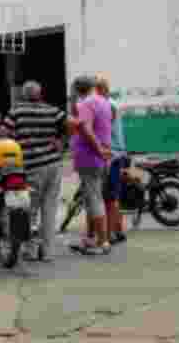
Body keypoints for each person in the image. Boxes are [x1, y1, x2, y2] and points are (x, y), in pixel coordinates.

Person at [2, 80, 66, 262]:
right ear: (40, 94)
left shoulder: (17, 111)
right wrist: (61, 141)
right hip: (53, 164)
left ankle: (30, 251)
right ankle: (48, 252)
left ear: (24, 94)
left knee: (30, 210)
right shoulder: (52, 110)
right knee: (49, 209)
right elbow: (72, 124)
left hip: (31, 166)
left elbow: (3, 133)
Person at [67, 76, 114, 255]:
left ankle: (102, 242)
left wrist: (98, 148)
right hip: (100, 156)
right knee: (91, 197)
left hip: (90, 156)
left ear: (76, 89)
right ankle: (92, 238)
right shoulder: (104, 101)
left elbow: (85, 129)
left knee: (94, 198)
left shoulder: (85, 104)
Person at [95, 74, 129, 245]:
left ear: (100, 90)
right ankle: (118, 230)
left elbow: (104, 133)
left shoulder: (107, 106)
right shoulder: (112, 104)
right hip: (117, 153)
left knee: (109, 197)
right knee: (113, 196)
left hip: (111, 155)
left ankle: (111, 233)